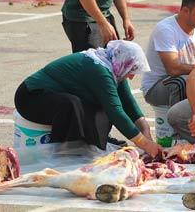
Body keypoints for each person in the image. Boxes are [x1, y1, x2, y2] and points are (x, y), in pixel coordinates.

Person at [14, 40, 163, 157]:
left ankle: (86, 146)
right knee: (72, 105)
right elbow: (115, 111)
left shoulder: (115, 67)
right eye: (132, 71)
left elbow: (128, 103)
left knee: (98, 107)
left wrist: (146, 131)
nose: (131, 76)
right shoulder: (100, 70)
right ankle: (64, 152)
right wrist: (144, 144)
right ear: (124, 63)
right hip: (30, 98)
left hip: (50, 97)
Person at [142, 0, 195, 108]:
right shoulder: (166, 29)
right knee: (183, 82)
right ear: (186, 11)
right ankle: (180, 124)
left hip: (189, 76)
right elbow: (173, 70)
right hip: (156, 87)